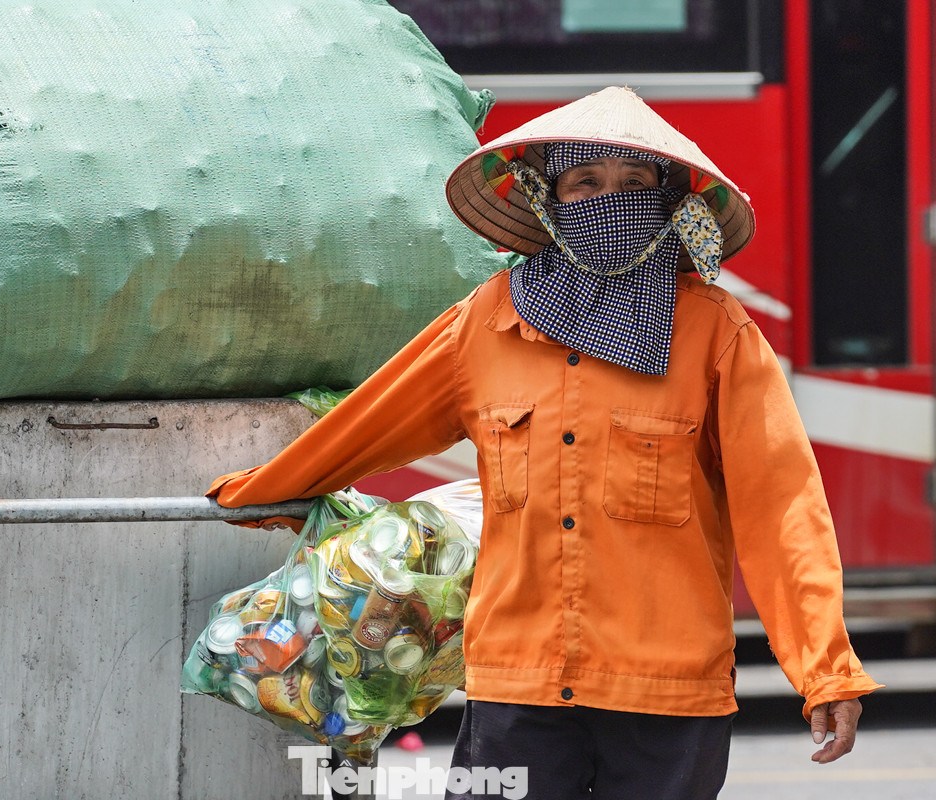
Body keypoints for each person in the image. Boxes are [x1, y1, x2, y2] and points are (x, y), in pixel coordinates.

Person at [207, 87, 882, 799]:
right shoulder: (486, 322)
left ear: (665, 200)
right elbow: (368, 425)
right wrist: (264, 491)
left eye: (632, 184)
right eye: (584, 182)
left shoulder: (716, 332)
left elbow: (781, 506)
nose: (607, 200)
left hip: (666, 696)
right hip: (517, 692)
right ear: (548, 197)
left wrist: (825, 669)